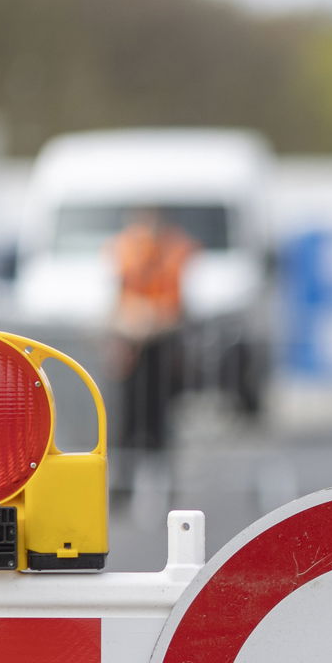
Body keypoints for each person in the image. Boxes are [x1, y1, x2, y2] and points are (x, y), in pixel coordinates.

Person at [107, 208, 197, 497]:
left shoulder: (174, 251)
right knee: (128, 419)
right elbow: (118, 296)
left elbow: (178, 303)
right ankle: (124, 483)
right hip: (133, 345)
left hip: (162, 346)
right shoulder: (125, 250)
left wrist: (153, 321)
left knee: (160, 418)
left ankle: (163, 483)